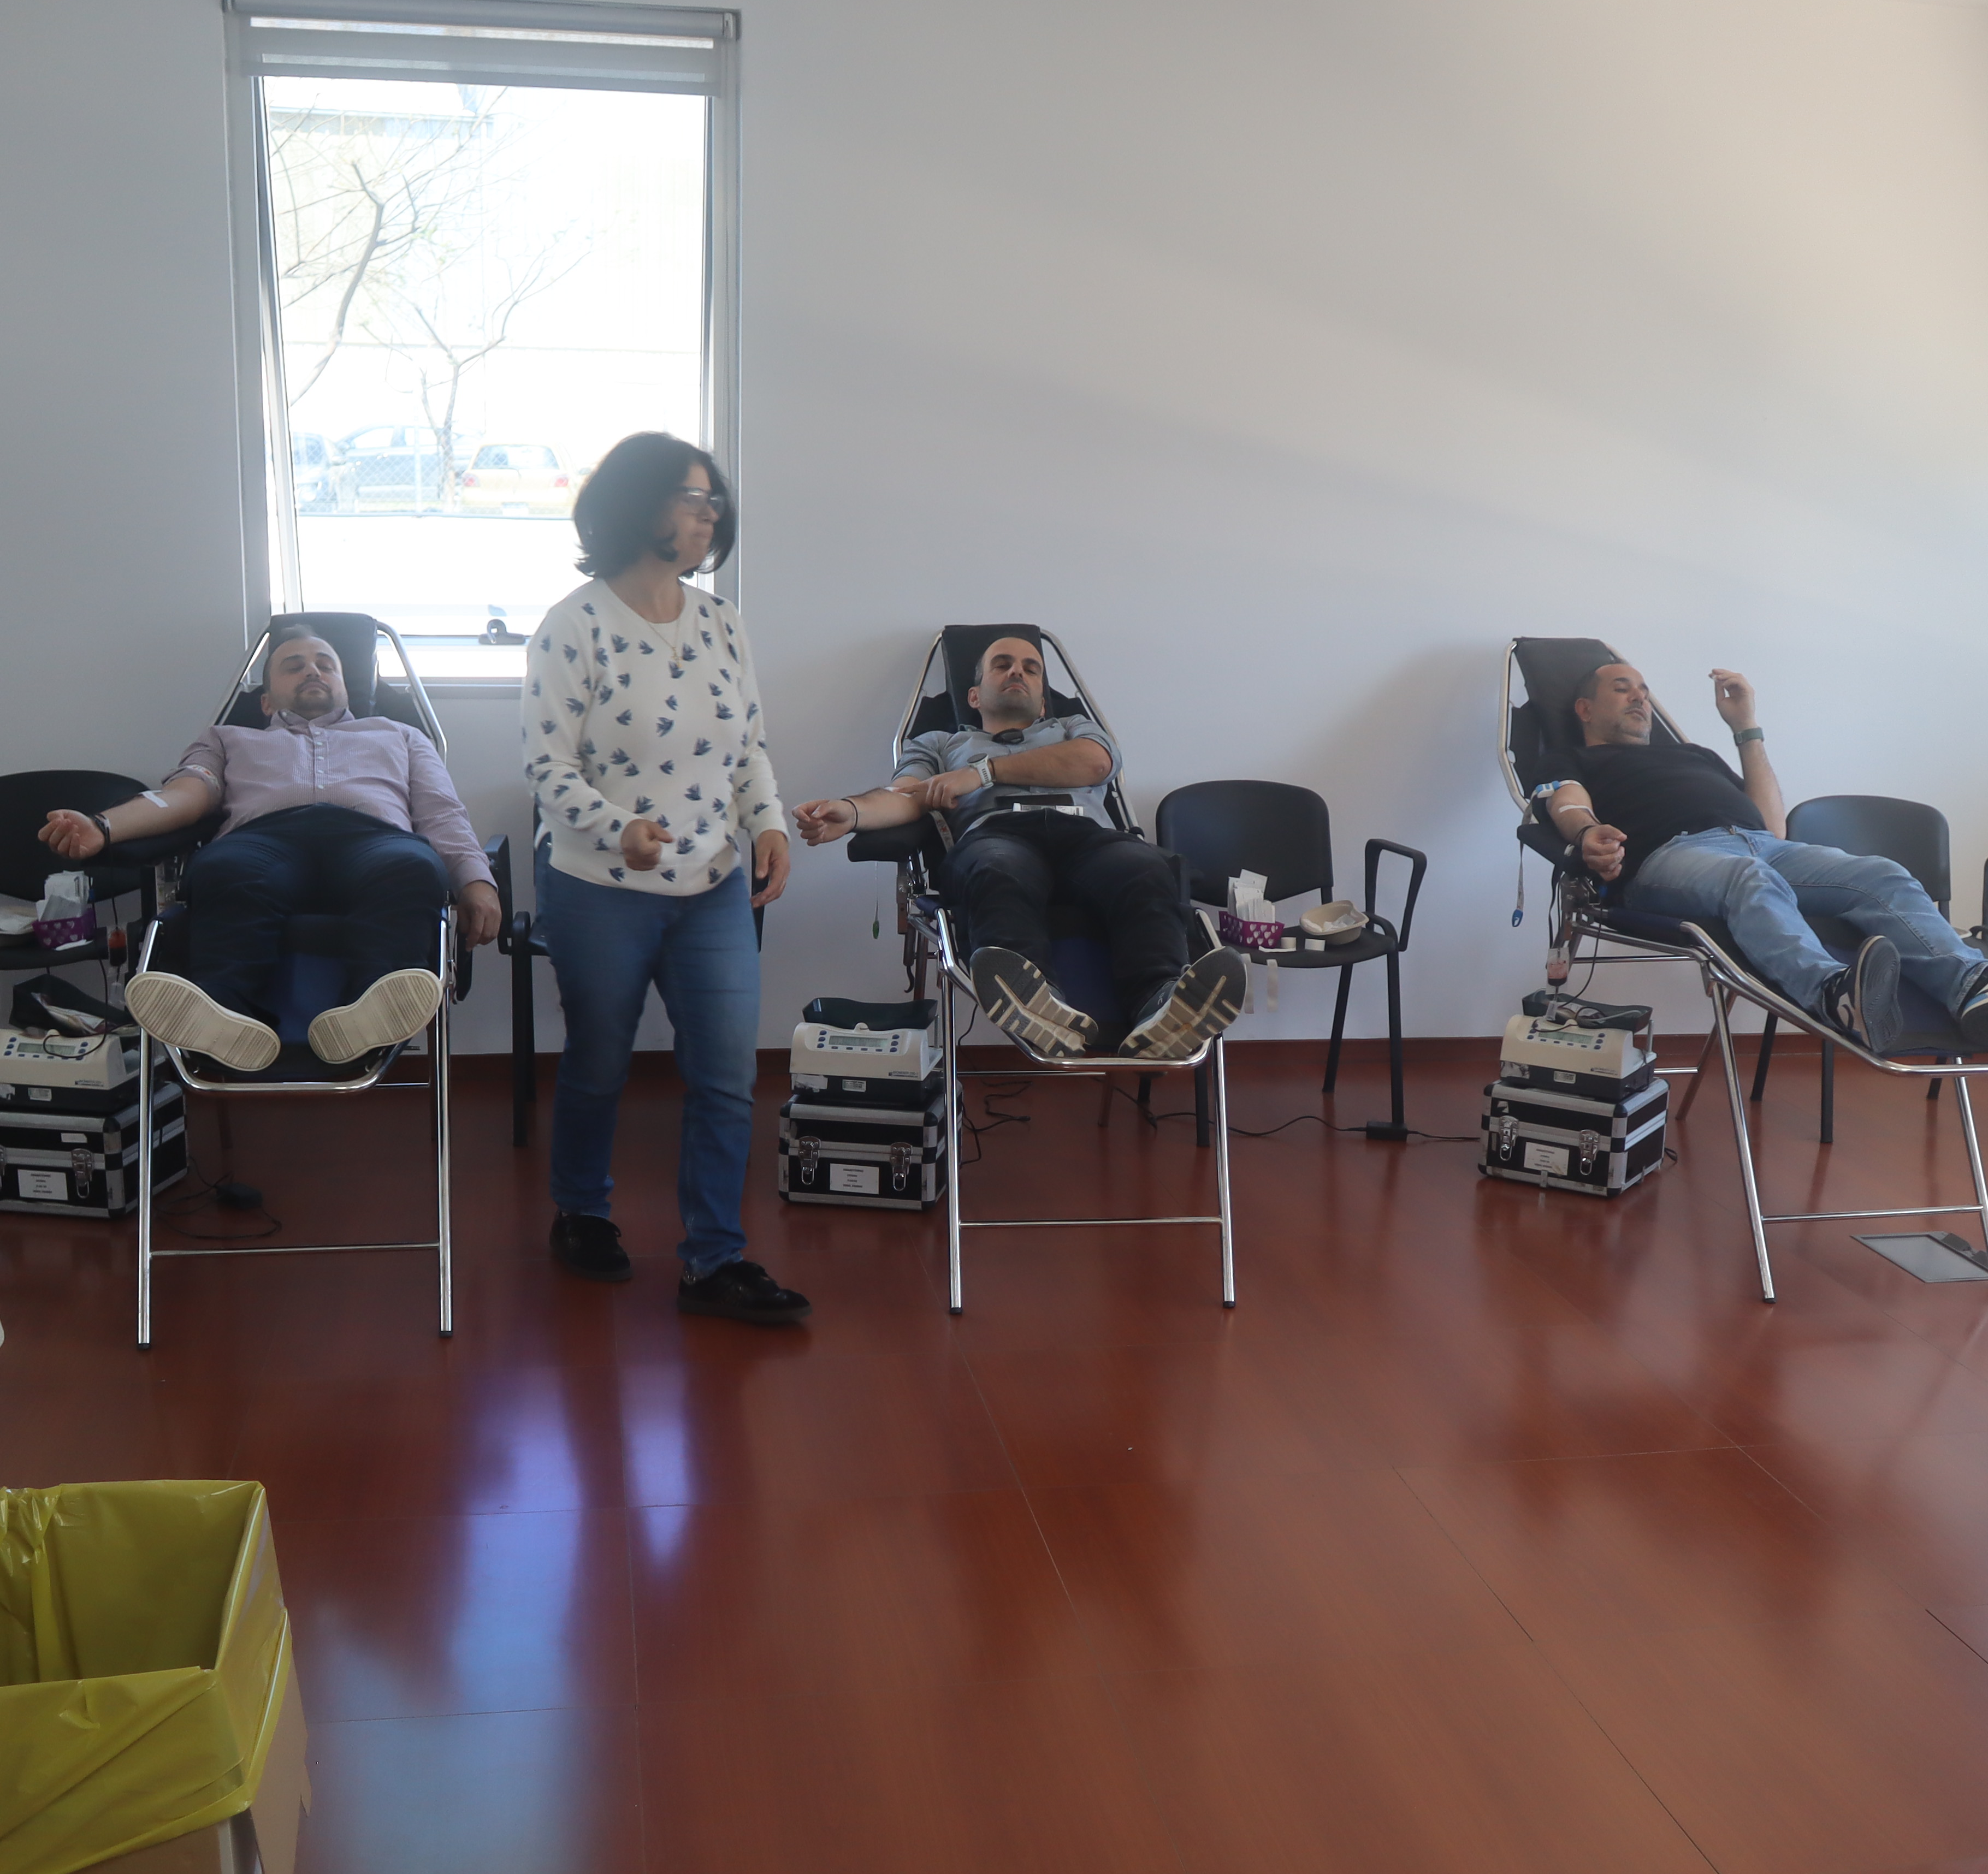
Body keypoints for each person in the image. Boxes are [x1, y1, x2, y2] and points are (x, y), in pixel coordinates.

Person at [524, 430, 807, 1325]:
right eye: (692, 498)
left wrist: (768, 822)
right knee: (600, 1061)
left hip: (711, 883)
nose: (708, 514)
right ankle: (581, 1212)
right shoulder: (573, 626)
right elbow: (547, 767)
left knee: (726, 1074)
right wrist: (620, 829)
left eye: (712, 500)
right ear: (637, 505)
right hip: (598, 886)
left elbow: (748, 745)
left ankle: (715, 1259)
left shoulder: (721, 621)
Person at [1535, 660, 1988, 1052]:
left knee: (1881, 874)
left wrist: (1746, 728)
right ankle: (1835, 996)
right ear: (1584, 708)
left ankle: (1974, 989)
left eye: (1643, 688)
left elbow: (1772, 825)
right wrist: (1587, 834)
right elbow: (1567, 802)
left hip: (1762, 844)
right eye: (1622, 688)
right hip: (1668, 860)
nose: (1641, 697)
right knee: (1747, 878)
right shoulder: (1574, 759)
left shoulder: (1694, 754)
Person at [39, 628, 500, 1072]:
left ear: (345, 688)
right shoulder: (226, 738)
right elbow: (184, 796)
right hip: (264, 840)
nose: (313, 671)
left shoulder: (401, 735)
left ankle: (369, 1015)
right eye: (294, 666)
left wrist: (477, 881)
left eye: (326, 665)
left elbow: (442, 814)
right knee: (223, 868)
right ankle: (225, 1018)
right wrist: (103, 826)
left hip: (375, 840)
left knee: (412, 866)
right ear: (265, 701)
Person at [793, 635, 1246, 1060]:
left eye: (1031, 668)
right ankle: (1039, 1003)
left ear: (1043, 700)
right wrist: (851, 812)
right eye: (1003, 665)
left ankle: (1162, 1005)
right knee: (998, 868)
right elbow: (906, 796)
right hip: (998, 837)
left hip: (1089, 840)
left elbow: (1095, 762)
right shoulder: (940, 744)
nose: (1018, 672)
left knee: (1144, 867)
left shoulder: (1073, 727)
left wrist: (982, 774)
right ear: (974, 696)